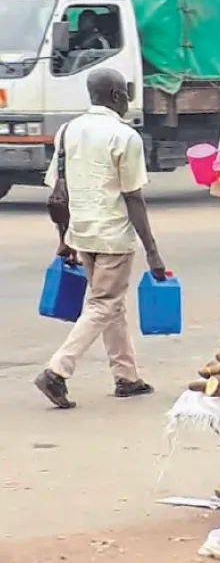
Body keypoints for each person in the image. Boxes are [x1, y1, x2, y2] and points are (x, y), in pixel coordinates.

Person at [35, 68, 165, 409]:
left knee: (112, 306)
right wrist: (153, 251)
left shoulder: (67, 131)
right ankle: (57, 371)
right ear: (117, 96)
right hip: (113, 236)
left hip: (82, 233)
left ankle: (127, 377)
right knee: (103, 305)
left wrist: (64, 239)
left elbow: (58, 194)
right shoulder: (125, 137)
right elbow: (133, 197)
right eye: (126, 93)